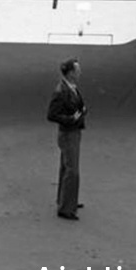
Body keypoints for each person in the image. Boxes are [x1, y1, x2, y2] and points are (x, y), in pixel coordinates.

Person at [47, 58, 86, 220]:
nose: (80, 72)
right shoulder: (61, 91)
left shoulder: (70, 87)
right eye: (77, 70)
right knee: (72, 170)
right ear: (70, 73)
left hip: (73, 132)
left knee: (66, 167)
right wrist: (71, 119)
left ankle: (65, 199)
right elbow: (52, 115)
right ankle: (66, 207)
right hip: (69, 133)